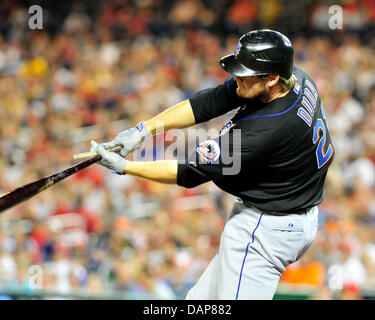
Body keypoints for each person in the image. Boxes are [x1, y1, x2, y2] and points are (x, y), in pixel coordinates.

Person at [90, 29, 334, 300]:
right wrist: (143, 129)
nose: (236, 78)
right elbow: (211, 101)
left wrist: (126, 167)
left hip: (266, 229)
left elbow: (189, 172)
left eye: (245, 73)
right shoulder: (294, 77)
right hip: (290, 214)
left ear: (272, 77)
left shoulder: (264, 131)